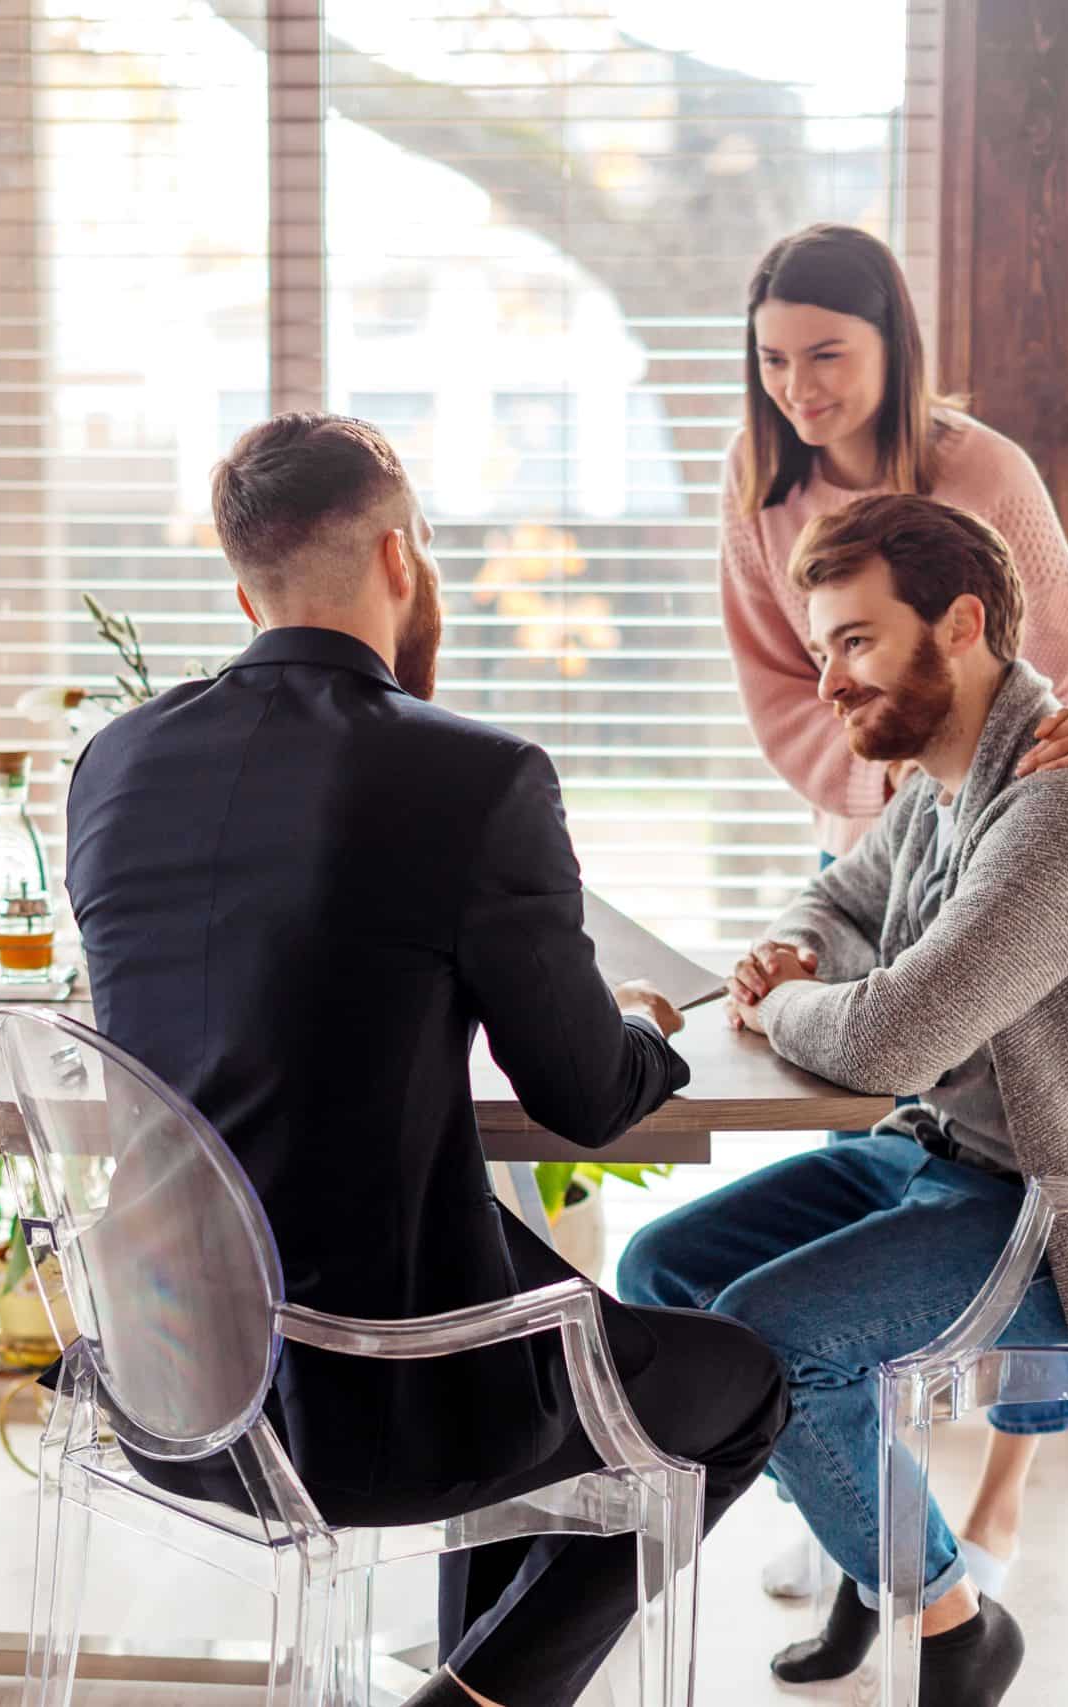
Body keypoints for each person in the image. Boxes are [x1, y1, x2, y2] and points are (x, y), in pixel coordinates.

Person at [63, 412, 789, 1707]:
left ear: (245, 591)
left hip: (177, 1378)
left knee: (535, 1314)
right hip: (379, 1400)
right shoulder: (477, 774)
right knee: (739, 1392)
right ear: (404, 558)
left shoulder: (114, 764)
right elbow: (583, 1097)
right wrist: (646, 1028)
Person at [619, 493, 1068, 1707]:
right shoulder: (939, 787)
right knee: (664, 1276)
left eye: (854, 641)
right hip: (947, 1160)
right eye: (819, 649)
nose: (829, 679)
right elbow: (835, 904)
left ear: (958, 624)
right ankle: (878, 1548)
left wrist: (772, 1007)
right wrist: (793, 957)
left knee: (780, 1340)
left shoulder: (1067, 805)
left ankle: (953, 1626)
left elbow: (894, 1038)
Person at [715, 219, 1068, 1639]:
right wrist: (891, 773)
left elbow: (1060, 655)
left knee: (999, 1091)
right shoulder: (762, 479)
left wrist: (1066, 741)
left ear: (897, 347)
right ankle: (877, 1525)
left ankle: (981, 1525)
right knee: (772, 1224)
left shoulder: (981, 475)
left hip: (1026, 794)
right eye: (774, 360)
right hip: (898, 793)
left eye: (828, 356)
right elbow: (784, 682)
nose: (800, 387)